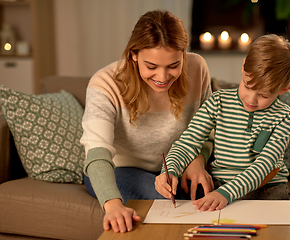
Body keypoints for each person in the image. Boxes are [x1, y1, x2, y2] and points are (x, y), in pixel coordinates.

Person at [80, 10, 214, 233]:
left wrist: (198, 159)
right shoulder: (105, 83)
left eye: (173, 65)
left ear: (184, 55)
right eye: (151, 66)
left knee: (212, 200)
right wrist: (113, 206)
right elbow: (97, 154)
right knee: (166, 207)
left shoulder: (197, 68)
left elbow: (208, 130)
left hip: (176, 166)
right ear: (133, 54)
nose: (162, 78)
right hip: (119, 169)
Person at [155, 34, 290, 212]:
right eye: (247, 85)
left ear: (284, 90)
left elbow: (264, 165)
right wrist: (169, 171)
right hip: (219, 186)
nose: (252, 100)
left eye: (264, 95)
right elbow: (187, 144)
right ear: (243, 66)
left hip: (266, 189)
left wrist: (226, 193)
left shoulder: (285, 117)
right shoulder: (217, 102)